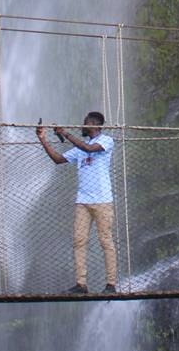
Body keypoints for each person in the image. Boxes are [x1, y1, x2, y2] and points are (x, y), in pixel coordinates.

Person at [36, 111, 118, 294]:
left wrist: (65, 133)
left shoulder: (106, 141)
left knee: (105, 240)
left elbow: (89, 150)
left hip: (103, 200)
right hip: (83, 201)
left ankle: (111, 284)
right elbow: (58, 160)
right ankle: (81, 284)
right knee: (79, 241)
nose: (82, 125)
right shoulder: (80, 148)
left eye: (85, 122)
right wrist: (43, 139)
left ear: (95, 125)